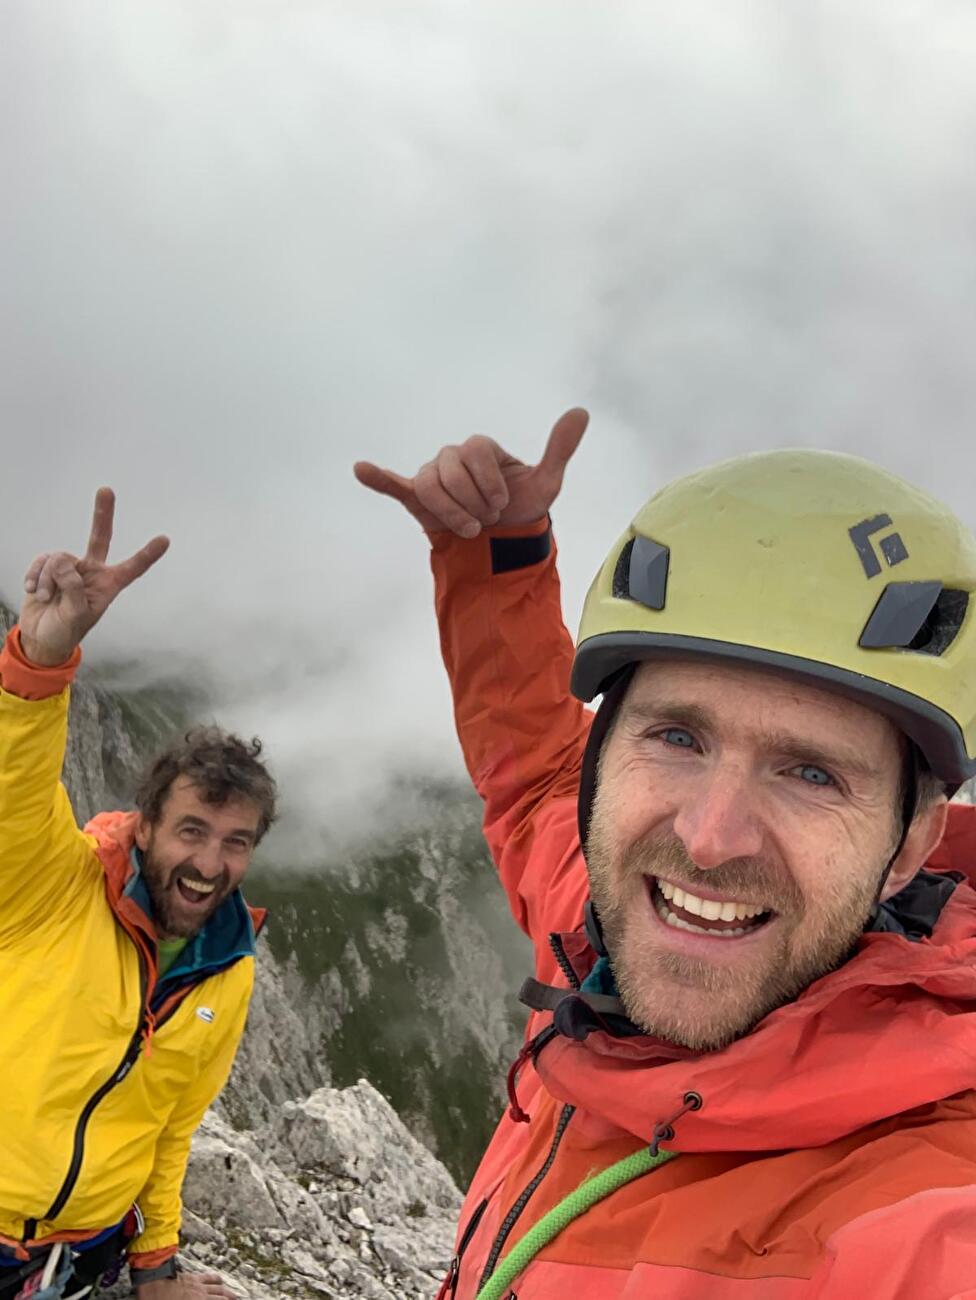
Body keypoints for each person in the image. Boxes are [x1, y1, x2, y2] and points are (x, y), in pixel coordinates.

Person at [356, 411, 976, 1298]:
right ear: (605, 765)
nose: (706, 840)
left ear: (912, 841)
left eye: (810, 773)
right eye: (678, 737)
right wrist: (495, 560)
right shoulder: (601, 919)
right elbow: (532, 779)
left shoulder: (922, 1208)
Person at [0, 489, 276, 1300]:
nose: (210, 863)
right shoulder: (55, 884)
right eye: (192, 831)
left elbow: (171, 1126)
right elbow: (15, 789)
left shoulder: (228, 968)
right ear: (147, 826)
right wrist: (39, 661)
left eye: (236, 842)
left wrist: (157, 1267)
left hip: (80, 1264)